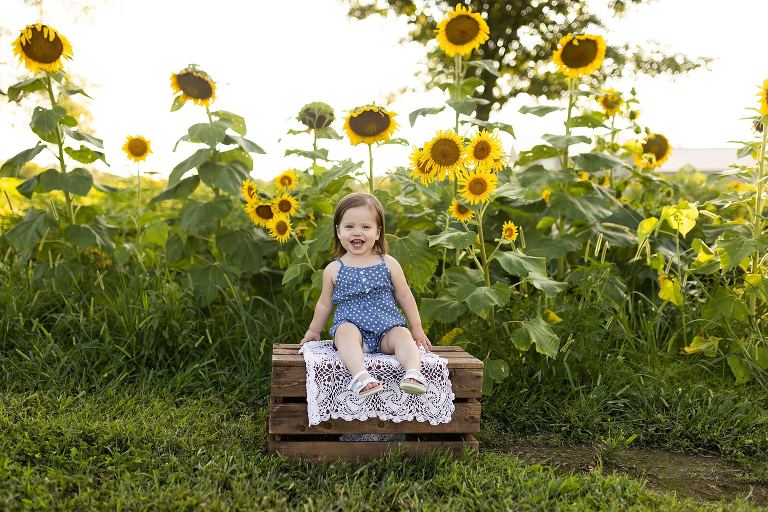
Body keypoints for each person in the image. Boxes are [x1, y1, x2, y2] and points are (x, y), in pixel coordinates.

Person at [300, 192, 432, 398]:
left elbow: (405, 296)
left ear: (378, 232)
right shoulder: (334, 269)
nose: (356, 232)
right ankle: (362, 377)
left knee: (403, 336)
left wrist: (416, 327)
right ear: (339, 231)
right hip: (354, 332)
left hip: (387, 329)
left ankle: (413, 374)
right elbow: (325, 304)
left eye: (365, 227)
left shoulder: (388, 263)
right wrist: (313, 331)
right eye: (349, 227)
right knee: (344, 333)